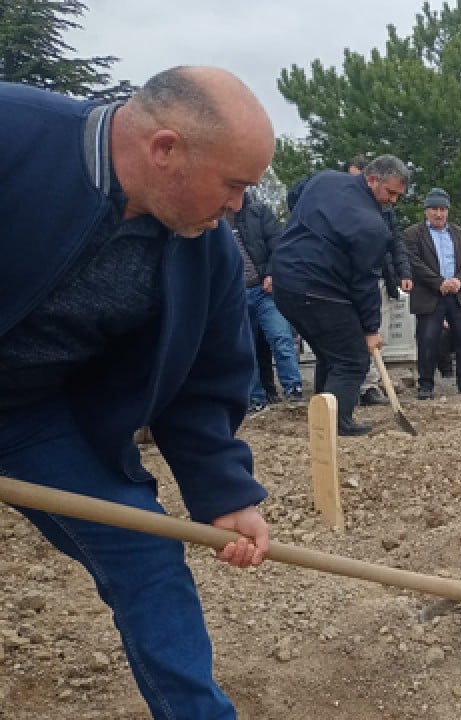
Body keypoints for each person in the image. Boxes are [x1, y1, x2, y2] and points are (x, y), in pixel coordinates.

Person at [0, 67, 273, 718]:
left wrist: (226, 492)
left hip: (29, 415)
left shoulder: (208, 251)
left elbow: (205, 380)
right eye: (233, 184)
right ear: (165, 149)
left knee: (147, 553)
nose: (239, 206)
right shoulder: (15, 135)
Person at [273, 155, 410, 435]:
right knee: (353, 359)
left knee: (331, 353)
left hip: (283, 278)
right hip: (319, 288)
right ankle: (336, 425)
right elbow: (364, 283)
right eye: (390, 193)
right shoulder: (371, 226)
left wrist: (308, 224)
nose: (392, 201)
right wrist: (370, 328)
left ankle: (324, 414)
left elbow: (294, 194)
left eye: (398, 196)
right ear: (372, 180)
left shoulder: (324, 179)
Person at [228, 189, 305, 412]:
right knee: (246, 349)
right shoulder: (212, 220)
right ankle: (255, 398)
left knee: (281, 338)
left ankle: (293, 389)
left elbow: (278, 246)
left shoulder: (259, 213)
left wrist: (272, 273)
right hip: (234, 296)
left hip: (264, 290)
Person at [403, 188, 461, 400]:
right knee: (428, 339)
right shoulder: (412, 234)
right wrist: (439, 283)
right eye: (434, 209)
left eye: (443, 209)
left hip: (457, 293)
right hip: (430, 295)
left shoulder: (457, 232)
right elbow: (414, 263)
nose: (439, 214)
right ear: (426, 211)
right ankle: (426, 384)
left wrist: (459, 281)